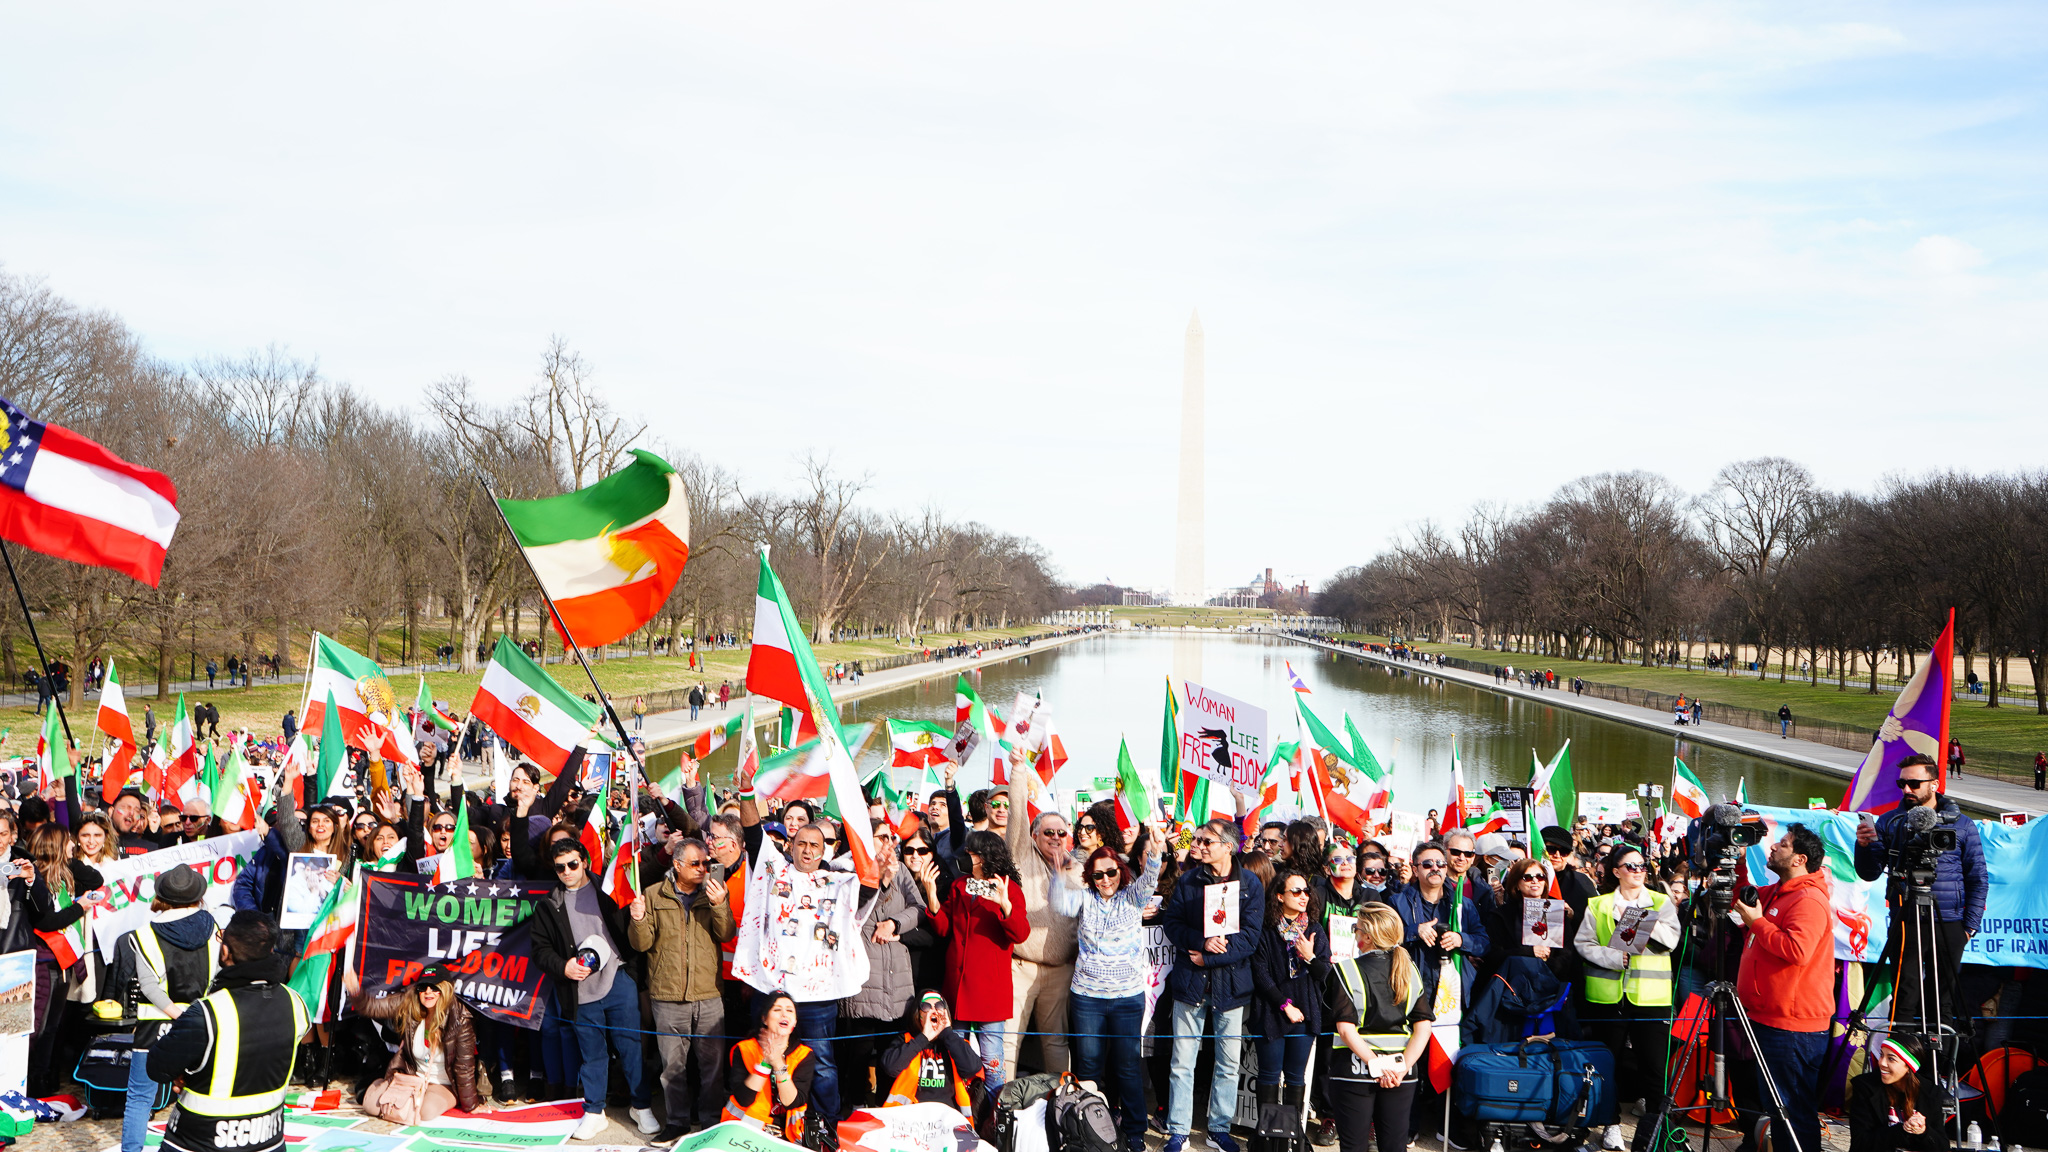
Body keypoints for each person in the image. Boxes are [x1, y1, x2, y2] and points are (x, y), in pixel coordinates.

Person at [530, 838, 659, 1140]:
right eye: (560, 867)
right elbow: (540, 949)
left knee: (630, 1046)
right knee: (592, 1053)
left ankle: (640, 1106)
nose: (567, 871)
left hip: (618, 979)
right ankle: (594, 1110)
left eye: (573, 864)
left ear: (585, 861)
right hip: (578, 989)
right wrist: (563, 966)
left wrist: (637, 914)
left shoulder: (609, 889)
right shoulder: (549, 905)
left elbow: (636, 924)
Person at [147, 911, 309, 1152]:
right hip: (268, 1141)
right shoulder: (296, 1002)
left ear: (225, 952)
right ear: (271, 952)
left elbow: (157, 1066)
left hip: (198, 1142)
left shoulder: (207, 1012)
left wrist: (184, 1072)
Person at [1853, 753, 1987, 1034]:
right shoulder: (1890, 821)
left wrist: (1969, 928)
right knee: (1904, 997)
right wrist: (1864, 846)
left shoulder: (1962, 824)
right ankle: (1896, 1066)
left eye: (1914, 783)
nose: (1906, 790)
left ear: (1935, 784)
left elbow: (1978, 879)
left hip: (1950, 922)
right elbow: (1870, 873)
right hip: (1906, 918)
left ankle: (1935, 1074)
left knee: (1942, 1003)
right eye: (1902, 783)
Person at [1160, 818, 1265, 1152]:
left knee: (1228, 1064)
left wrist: (1212, 958)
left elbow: (1250, 938)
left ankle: (1218, 1128)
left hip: (1230, 989)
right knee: (1182, 1062)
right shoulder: (1188, 880)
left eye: (1207, 841)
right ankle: (1178, 1130)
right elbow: (1172, 925)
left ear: (1228, 846)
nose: (1200, 845)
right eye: (1199, 840)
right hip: (1190, 985)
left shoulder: (1250, 883)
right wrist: (1201, 942)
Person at [1058, 830, 1165, 1152]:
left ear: (1121, 871)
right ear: (1090, 876)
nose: (1105, 879)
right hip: (1087, 997)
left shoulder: (1133, 896)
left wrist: (1157, 851)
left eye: (1111, 872)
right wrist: (1056, 869)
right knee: (1089, 1066)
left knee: (1128, 1065)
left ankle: (1134, 1131)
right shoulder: (1084, 898)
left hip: (1126, 999)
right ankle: (1088, 1127)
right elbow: (1059, 902)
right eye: (1098, 874)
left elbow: (1151, 878)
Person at [1733, 823, 1836, 1152]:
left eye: (1784, 844)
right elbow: (1741, 900)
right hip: (1771, 1019)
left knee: (1792, 1111)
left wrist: (1758, 924)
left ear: (1799, 859)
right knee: (1779, 1108)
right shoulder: (1779, 890)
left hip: (1793, 1027)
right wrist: (1732, 859)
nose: (1774, 846)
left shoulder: (1808, 899)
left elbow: (1797, 951)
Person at [627, 836, 735, 1143]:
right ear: (676, 866)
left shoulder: (713, 892)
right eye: (696, 863)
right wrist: (637, 920)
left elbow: (726, 933)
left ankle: (711, 1121)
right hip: (667, 995)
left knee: (711, 1067)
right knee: (672, 1068)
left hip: (707, 994)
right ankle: (677, 1121)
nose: (703, 869)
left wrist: (719, 904)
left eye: (705, 863)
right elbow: (641, 944)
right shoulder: (652, 895)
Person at [1574, 844, 1679, 1144]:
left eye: (1642, 865)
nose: (1638, 871)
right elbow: (1583, 944)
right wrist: (1610, 957)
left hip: (1650, 998)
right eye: (1630, 866)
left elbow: (1671, 941)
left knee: (1654, 1068)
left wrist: (1645, 919)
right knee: (1609, 1065)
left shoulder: (1660, 901)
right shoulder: (1598, 904)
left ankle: (1658, 1130)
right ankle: (1610, 1124)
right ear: (1616, 871)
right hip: (1608, 997)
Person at [913, 828, 1029, 1088]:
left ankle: (993, 1113)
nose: (965, 857)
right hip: (957, 987)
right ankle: (960, 1108)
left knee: (991, 1058)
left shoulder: (1008, 888)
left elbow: (1020, 934)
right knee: (956, 1052)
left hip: (989, 989)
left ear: (985, 857)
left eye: (971, 853)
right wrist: (931, 894)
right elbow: (943, 928)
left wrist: (1005, 904)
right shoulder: (959, 885)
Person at [116, 864, 219, 1152]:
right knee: (202, 1094)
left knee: (139, 1098)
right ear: (198, 895)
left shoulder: (144, 934)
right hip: (205, 1022)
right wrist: (192, 1016)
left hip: (154, 1025)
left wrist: (176, 1013)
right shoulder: (214, 926)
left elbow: (149, 987)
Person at [1323, 904, 1434, 1152]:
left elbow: (1345, 1030)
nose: (1354, 934)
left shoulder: (1345, 970)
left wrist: (1377, 1065)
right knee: (1395, 1146)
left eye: (1356, 928)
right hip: (1401, 1071)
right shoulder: (1410, 970)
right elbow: (1423, 1027)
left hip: (1353, 1068)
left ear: (1368, 936)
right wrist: (1401, 1067)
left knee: (1353, 1147)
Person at [1003, 780, 1081, 1078]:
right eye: (1049, 832)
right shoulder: (1022, 856)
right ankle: (1002, 1107)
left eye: (1062, 832)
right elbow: (1016, 818)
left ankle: (1064, 1105)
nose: (1056, 837)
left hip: (1061, 970)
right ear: (1034, 836)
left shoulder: (1081, 871)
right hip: (1021, 966)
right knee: (1009, 1040)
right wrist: (1018, 769)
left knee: (1056, 1043)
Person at [1249, 867, 1332, 1133]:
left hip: (1306, 1012)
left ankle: (1291, 1137)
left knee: (1296, 1078)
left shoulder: (1315, 929)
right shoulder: (1266, 929)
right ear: (1279, 896)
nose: (1303, 896)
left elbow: (1324, 974)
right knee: (1270, 1076)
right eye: (1296, 891)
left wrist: (1309, 956)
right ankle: (1268, 1139)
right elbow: (1260, 974)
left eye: (1306, 891)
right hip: (1272, 1010)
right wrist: (1284, 1005)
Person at [351, 962, 488, 1120]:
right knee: (371, 1106)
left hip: (443, 1083)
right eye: (423, 987)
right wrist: (355, 990)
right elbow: (372, 1007)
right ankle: (381, 1085)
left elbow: (464, 1066)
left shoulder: (461, 1018)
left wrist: (471, 1105)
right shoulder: (410, 1003)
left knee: (425, 1112)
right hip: (412, 1077)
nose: (428, 992)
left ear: (445, 988)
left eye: (434, 987)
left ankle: (394, 1096)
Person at [722, 990, 814, 1142]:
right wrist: (765, 1063)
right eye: (777, 1010)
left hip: (788, 1135)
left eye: (790, 1011)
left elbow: (792, 1102)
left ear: (795, 1021)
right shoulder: (744, 1049)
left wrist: (778, 1064)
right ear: (764, 1018)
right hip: (746, 1132)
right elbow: (743, 1099)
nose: (784, 1014)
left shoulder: (804, 1054)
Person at [879, 991, 983, 1108]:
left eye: (939, 1005)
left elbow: (972, 1068)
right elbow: (890, 1067)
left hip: (946, 1115)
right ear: (918, 1015)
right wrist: (923, 1037)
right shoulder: (907, 1040)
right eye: (926, 1006)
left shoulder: (954, 1042)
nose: (934, 1010)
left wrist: (947, 1033)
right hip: (911, 1114)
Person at [1847, 1036, 1943, 1152]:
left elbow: (1942, 1145)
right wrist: (1902, 1130)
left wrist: (1923, 1132)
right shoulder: (1866, 1087)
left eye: (1891, 1059)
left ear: (1908, 1066)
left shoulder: (1929, 1092)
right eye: (1881, 1055)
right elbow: (1860, 1144)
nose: (1882, 1063)